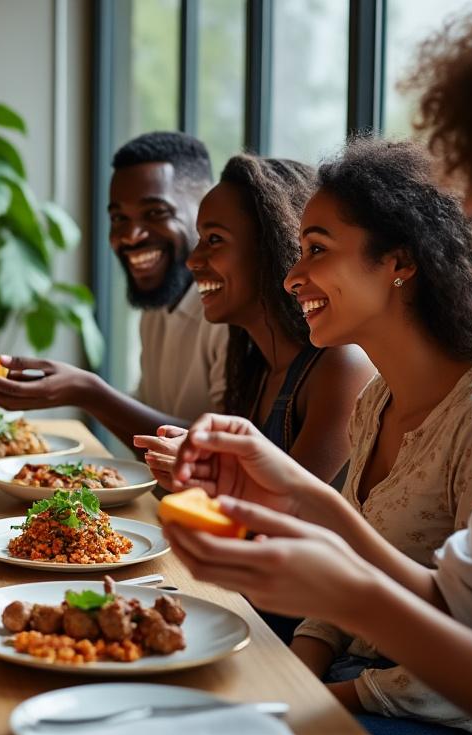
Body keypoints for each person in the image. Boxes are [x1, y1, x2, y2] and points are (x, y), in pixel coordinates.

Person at [165, 5, 472, 735]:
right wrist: (307, 503)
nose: (293, 277)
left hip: (426, 722)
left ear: (400, 263)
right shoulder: (378, 399)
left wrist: (310, 685)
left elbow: (467, 656)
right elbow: (459, 606)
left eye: (316, 250)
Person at [0, 131, 228, 448]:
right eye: (119, 217)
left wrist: (88, 392)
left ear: (206, 211)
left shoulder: (227, 316)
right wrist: (81, 393)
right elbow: (149, 441)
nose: (130, 235)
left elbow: (225, 450)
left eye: (155, 212)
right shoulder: (157, 309)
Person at [134, 155, 374, 491]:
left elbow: (289, 509)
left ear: (271, 248)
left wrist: (210, 474)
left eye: (214, 240)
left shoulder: (341, 366)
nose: (192, 260)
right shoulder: (254, 367)